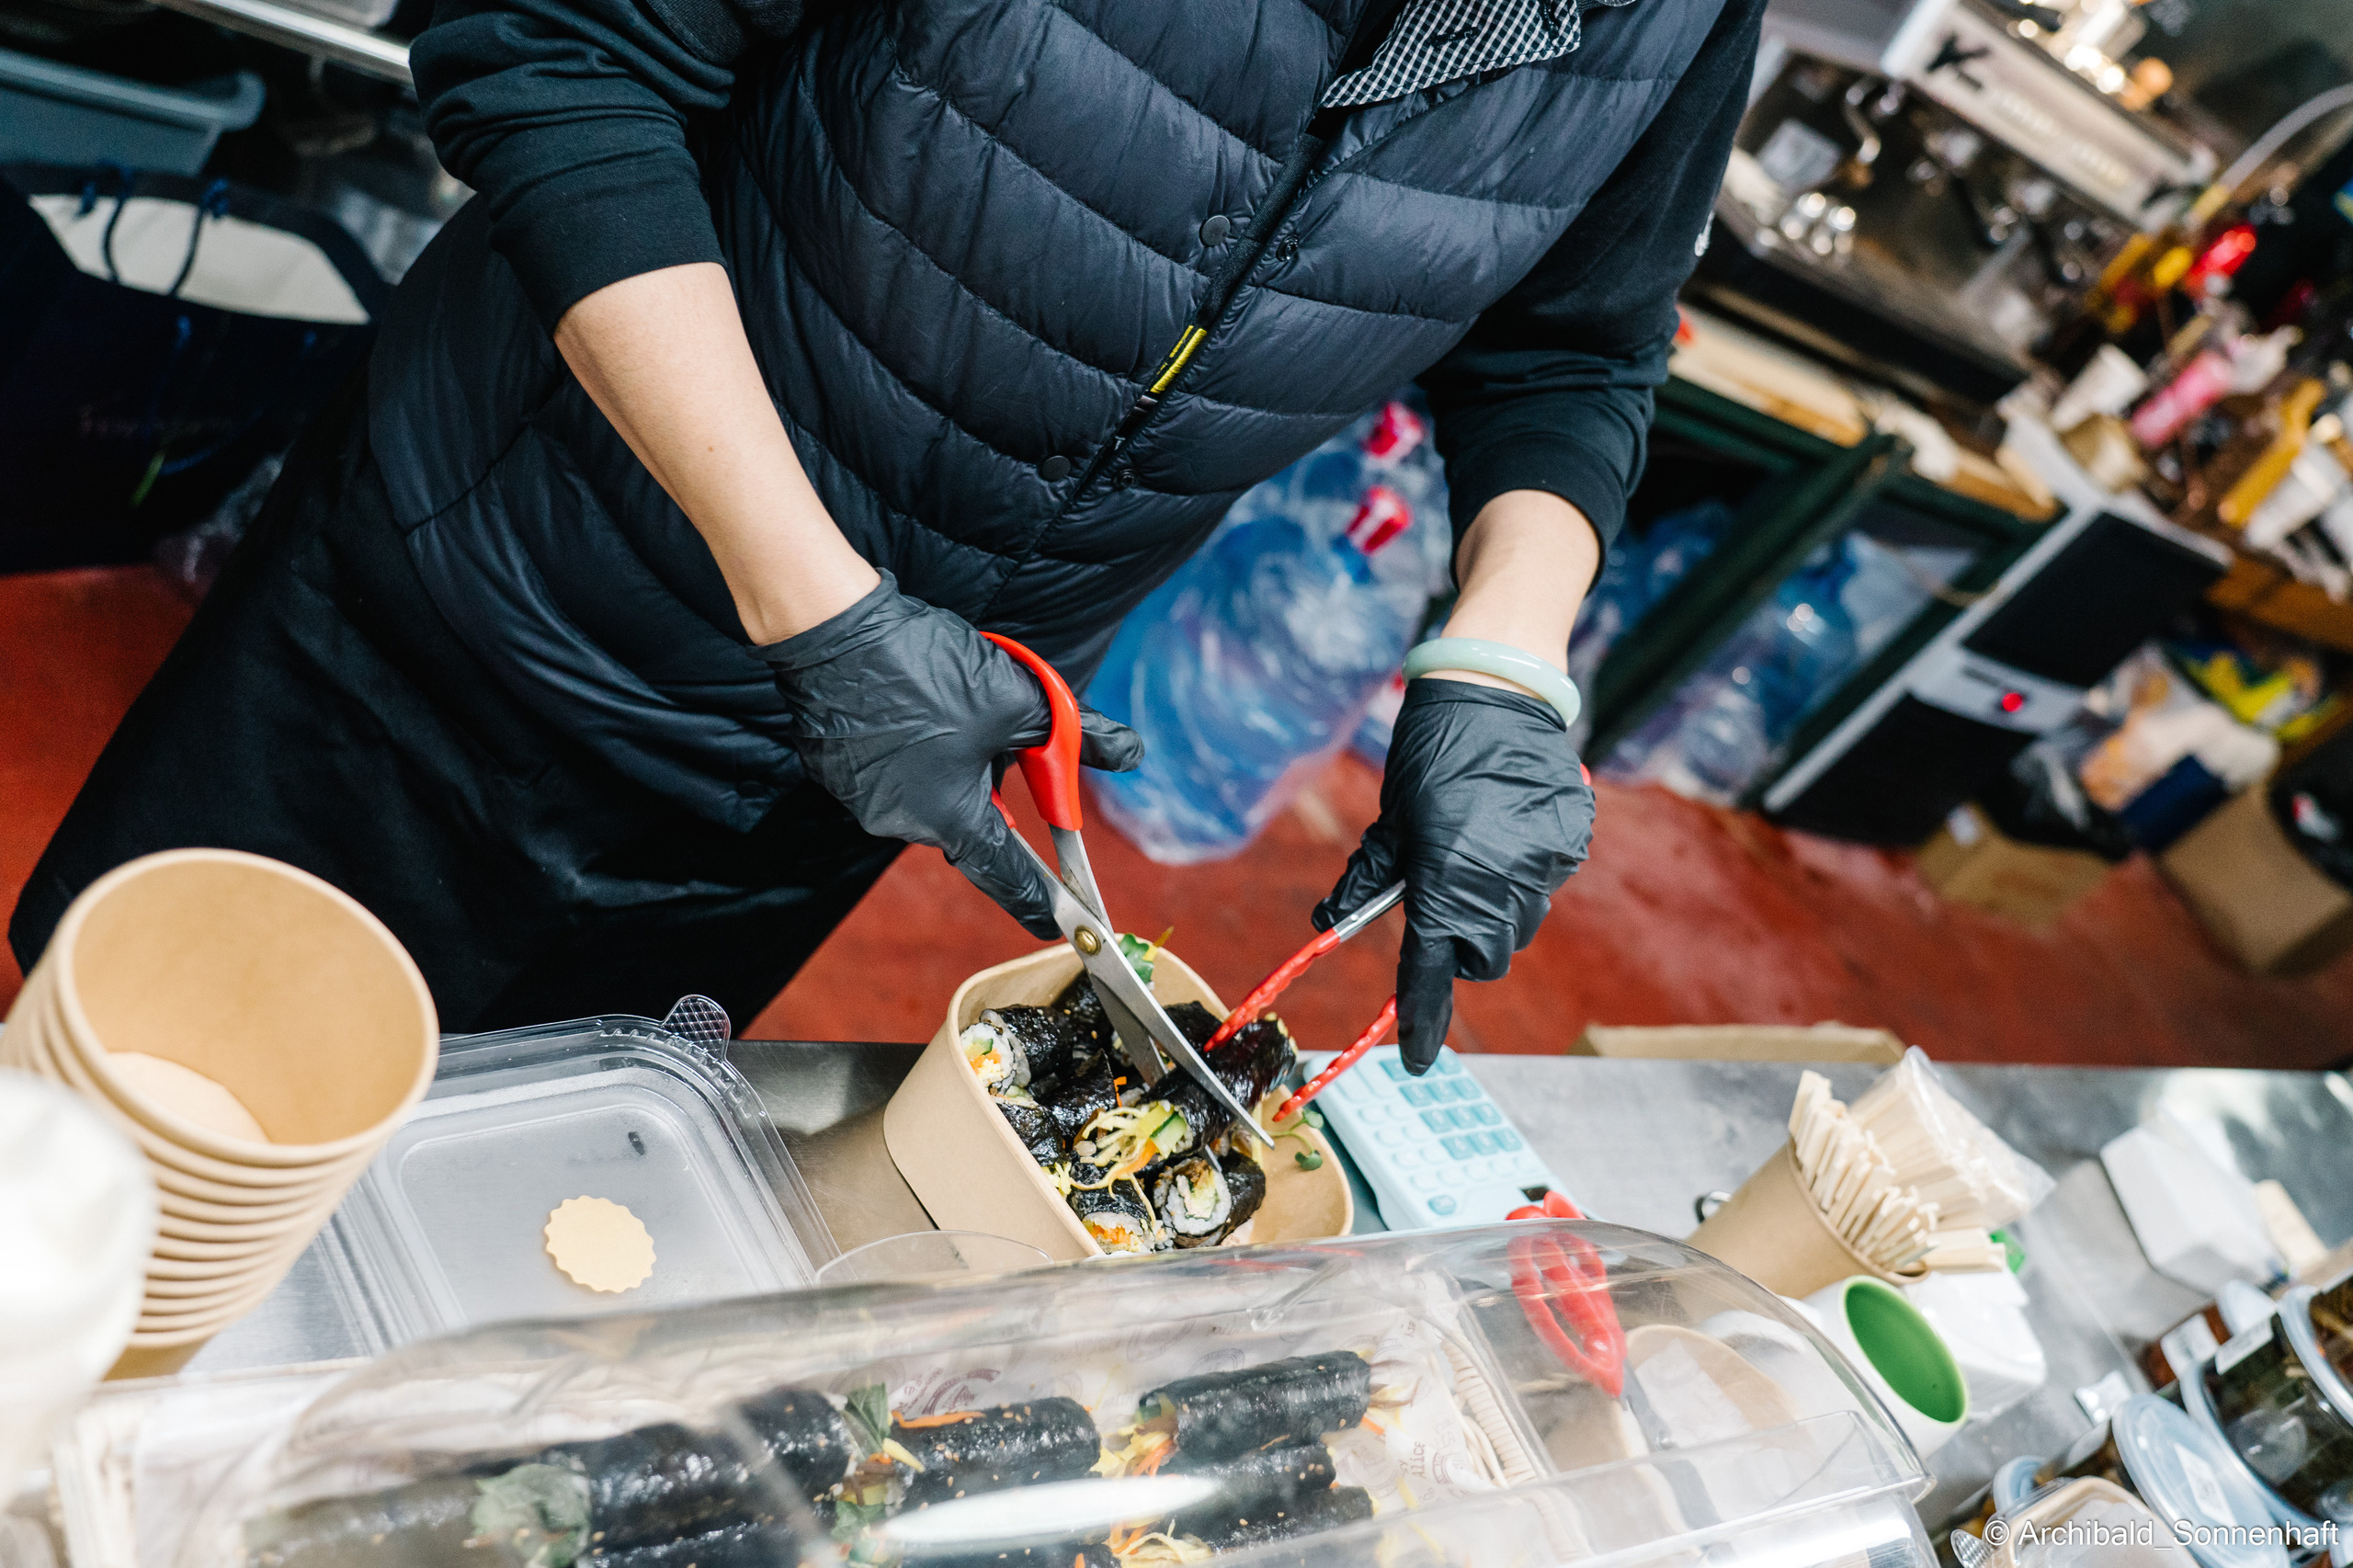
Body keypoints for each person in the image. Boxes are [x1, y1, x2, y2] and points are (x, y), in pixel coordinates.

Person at [13, 0, 1759, 1072]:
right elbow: (554, 46)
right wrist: (815, 602)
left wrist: (1506, 656)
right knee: (142, 1138)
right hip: (498, 602)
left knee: (505, 1196)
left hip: (866, 761)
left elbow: (1574, 344)